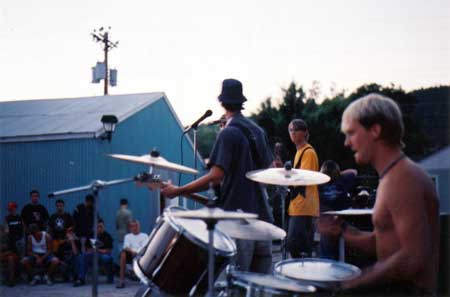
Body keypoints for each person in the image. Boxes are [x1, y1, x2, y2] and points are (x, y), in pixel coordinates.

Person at [318, 93, 439, 295]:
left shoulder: (404, 179)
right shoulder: (392, 176)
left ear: (375, 130)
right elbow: (385, 242)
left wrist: (350, 284)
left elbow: (413, 256)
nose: (347, 142)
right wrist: (342, 231)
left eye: (351, 133)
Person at [158, 78, 274, 273]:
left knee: (235, 284)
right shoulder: (258, 131)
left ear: (222, 102)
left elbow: (215, 177)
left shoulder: (228, 133)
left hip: (237, 223)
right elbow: (268, 170)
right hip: (263, 222)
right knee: (258, 287)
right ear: (241, 101)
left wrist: (178, 190)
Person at [286, 119, 319, 258]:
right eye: (290, 130)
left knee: (298, 248)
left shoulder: (308, 152)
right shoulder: (299, 152)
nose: (292, 133)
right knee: (295, 248)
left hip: (304, 206)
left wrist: (286, 176)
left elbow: (304, 178)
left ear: (304, 132)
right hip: (298, 206)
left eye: (296, 130)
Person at [318, 160, 357, 260]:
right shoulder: (343, 179)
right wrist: (339, 174)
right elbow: (354, 171)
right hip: (340, 218)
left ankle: (327, 261)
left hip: (327, 220)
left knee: (327, 238)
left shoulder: (319, 184)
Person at [72, 219, 114, 287]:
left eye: (101, 226)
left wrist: (98, 250)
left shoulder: (107, 236)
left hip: (102, 255)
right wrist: (92, 250)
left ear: (104, 227)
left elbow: (109, 251)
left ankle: (110, 277)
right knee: (82, 256)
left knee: (108, 258)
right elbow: (87, 249)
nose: (99, 228)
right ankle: (80, 278)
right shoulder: (91, 235)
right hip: (92, 255)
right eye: (98, 227)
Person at [116, 219, 148, 288]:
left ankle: (145, 279)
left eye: (136, 226)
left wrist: (136, 252)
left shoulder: (144, 235)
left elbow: (144, 247)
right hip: (130, 254)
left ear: (139, 226)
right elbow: (126, 247)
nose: (135, 228)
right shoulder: (127, 236)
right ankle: (122, 280)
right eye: (133, 226)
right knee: (123, 254)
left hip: (141, 255)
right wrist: (132, 251)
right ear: (130, 228)